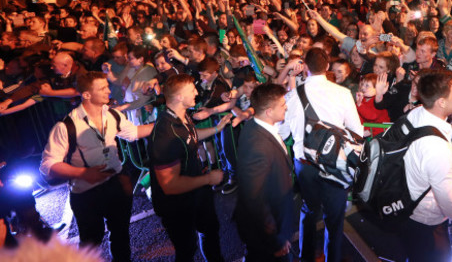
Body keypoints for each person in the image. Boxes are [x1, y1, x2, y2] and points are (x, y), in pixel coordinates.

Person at [40, 71, 154, 261]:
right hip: (86, 193)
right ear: (86, 95)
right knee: (91, 242)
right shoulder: (67, 126)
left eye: (107, 86)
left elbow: (133, 133)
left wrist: (163, 123)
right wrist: (83, 173)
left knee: (121, 236)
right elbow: (47, 165)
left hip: (115, 185)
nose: (109, 90)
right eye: (102, 88)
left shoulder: (113, 115)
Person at [279, 47, 363, 262]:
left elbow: (282, 132)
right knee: (334, 218)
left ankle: (306, 258)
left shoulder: (293, 95)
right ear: (327, 67)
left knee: (308, 210)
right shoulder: (343, 93)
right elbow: (357, 131)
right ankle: (331, 258)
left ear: (305, 66)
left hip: (305, 164)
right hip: (336, 162)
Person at [398, 70, 452, 262]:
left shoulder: (416, 114)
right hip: (426, 223)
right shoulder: (440, 151)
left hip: (405, 209)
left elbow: (434, 129)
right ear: (442, 102)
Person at [148, 73, 226, 262]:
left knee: (210, 232)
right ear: (179, 97)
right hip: (177, 203)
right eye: (192, 90)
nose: (196, 93)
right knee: (186, 249)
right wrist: (209, 178)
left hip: (196, 190)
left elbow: (191, 136)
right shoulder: (165, 134)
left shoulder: (181, 116)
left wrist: (217, 128)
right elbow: (170, 184)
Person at [235, 83, 295, 261]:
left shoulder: (256, 126)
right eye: (283, 105)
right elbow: (255, 199)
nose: (286, 107)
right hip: (267, 233)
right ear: (269, 111)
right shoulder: (258, 146)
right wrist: (275, 240)